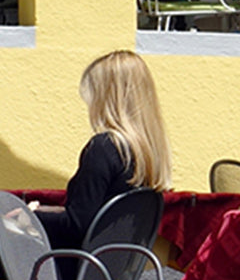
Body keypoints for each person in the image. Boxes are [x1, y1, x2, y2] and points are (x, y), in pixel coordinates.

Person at [35, 50, 173, 252]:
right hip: (114, 268)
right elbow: (93, 214)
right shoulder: (147, 154)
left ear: (107, 98)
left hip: (75, 265)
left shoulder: (104, 148)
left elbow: (76, 226)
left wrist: (31, 216)